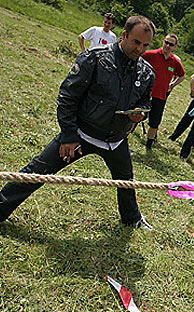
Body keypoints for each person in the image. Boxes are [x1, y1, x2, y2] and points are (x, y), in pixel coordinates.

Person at [0, 16, 156, 230]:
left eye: (146, 45)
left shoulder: (147, 72)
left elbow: (145, 101)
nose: (140, 49)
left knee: (126, 182)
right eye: (136, 42)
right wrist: (69, 135)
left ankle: (132, 218)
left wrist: (140, 114)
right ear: (124, 36)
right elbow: (67, 97)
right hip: (81, 134)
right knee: (36, 172)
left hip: (116, 140)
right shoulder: (94, 58)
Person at [142, 34, 186, 151]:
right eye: (166, 42)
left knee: (154, 122)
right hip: (145, 92)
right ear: (163, 42)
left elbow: (182, 75)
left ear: (175, 47)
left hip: (161, 96)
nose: (167, 45)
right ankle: (125, 136)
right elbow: (137, 60)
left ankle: (149, 145)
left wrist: (172, 85)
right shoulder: (151, 54)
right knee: (137, 115)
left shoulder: (175, 62)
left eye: (171, 44)